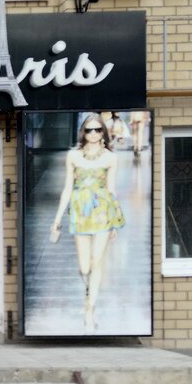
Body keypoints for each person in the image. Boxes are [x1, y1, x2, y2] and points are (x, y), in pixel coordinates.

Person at [50, 113, 125, 332]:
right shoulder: (73, 156)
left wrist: (115, 220)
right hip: (80, 212)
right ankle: (88, 293)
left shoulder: (111, 158)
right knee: (84, 266)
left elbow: (111, 189)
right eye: (89, 130)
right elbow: (67, 188)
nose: (93, 134)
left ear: (103, 132)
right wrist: (57, 219)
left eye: (97, 130)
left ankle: (90, 309)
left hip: (102, 212)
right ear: (83, 132)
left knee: (96, 261)